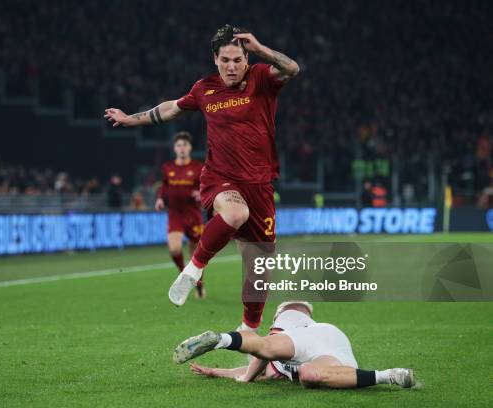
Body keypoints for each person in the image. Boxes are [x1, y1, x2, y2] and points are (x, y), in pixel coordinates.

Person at [104, 24, 299, 331]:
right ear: (215, 59)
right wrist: (131, 119)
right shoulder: (204, 89)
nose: (231, 66)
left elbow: (291, 68)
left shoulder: (261, 78)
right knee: (235, 213)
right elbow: (170, 109)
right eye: (225, 60)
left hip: (260, 184)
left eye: (238, 59)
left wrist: (260, 48)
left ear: (247, 58)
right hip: (220, 177)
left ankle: (248, 330)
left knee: (258, 270)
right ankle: (193, 269)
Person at [173, 301, 416, 389]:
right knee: (306, 373)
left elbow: (256, 366)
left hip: (328, 344)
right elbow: (252, 369)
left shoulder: (281, 335)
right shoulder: (272, 360)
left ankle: (386, 376)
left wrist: (246, 378)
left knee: (271, 349)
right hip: (313, 344)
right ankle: (222, 340)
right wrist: (216, 372)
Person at [155, 131, 206, 298]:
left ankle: (199, 286)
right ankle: (184, 273)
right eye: (179, 145)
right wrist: (160, 199)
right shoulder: (168, 167)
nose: (182, 148)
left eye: (185, 145)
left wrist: (201, 194)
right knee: (174, 248)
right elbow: (163, 186)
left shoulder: (198, 167)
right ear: (174, 149)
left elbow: (207, 185)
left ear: (190, 148)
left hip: (193, 213)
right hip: (175, 213)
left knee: (196, 255)